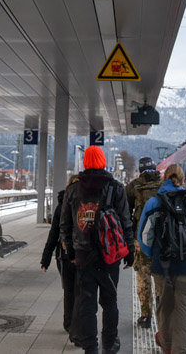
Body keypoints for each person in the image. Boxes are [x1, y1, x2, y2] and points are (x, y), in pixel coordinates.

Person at [60, 146, 135, 354]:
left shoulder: (73, 190)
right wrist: (129, 252)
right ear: (103, 162)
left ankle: (90, 347)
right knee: (110, 302)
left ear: (85, 162)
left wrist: (71, 253)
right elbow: (125, 223)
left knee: (86, 304)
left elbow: (64, 225)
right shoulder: (115, 188)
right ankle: (109, 344)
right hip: (110, 256)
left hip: (83, 257)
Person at [137, 164, 186, 354]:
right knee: (184, 310)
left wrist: (153, 255)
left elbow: (144, 238)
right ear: (183, 180)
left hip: (162, 267)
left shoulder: (153, 203)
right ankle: (181, 350)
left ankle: (167, 347)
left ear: (164, 178)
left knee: (164, 308)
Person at [126, 156, 163, 327]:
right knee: (161, 277)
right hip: (162, 240)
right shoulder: (163, 185)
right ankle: (162, 315)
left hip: (141, 239)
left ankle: (145, 317)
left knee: (143, 277)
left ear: (140, 170)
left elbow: (125, 213)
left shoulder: (134, 186)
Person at [40, 174, 80, 335]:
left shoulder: (61, 205)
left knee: (69, 290)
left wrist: (46, 259)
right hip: (81, 253)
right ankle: (75, 322)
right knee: (80, 290)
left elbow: (54, 233)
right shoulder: (86, 204)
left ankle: (69, 322)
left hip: (63, 254)